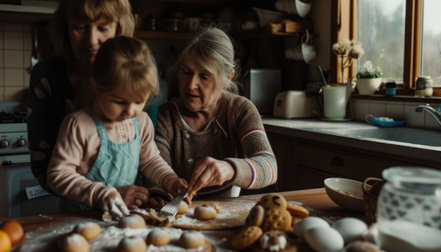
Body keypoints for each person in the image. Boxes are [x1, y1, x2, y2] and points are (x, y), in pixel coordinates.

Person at [27, 0, 156, 210]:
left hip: (133, 207)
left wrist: (152, 193)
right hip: (77, 209)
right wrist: (102, 194)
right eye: (79, 27)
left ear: (119, 27)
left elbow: (146, 154)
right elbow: (48, 170)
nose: (91, 40)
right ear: (65, 27)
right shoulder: (48, 76)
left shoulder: (140, 69)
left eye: (103, 28)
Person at [46, 36, 186, 218]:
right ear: (97, 87)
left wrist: (170, 180)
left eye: (138, 101)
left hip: (120, 217)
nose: (130, 110)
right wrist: (99, 193)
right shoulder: (79, 125)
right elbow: (58, 175)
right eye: (119, 101)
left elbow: (150, 160)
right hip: (80, 219)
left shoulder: (142, 122)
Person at [156, 27, 278, 200]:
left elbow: (270, 168)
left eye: (204, 76)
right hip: (177, 213)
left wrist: (230, 169)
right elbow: (155, 176)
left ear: (227, 79)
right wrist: (163, 192)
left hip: (226, 213)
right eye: (186, 72)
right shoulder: (165, 117)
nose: (191, 85)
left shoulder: (240, 110)